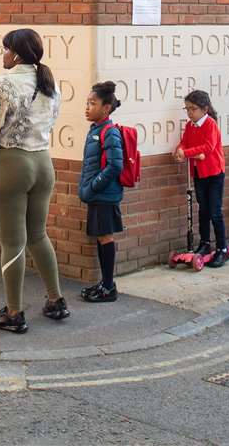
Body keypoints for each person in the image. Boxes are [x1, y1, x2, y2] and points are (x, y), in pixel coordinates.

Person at [0, 28, 68, 333]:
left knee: (13, 242)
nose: (2, 54)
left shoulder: (4, 83)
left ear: (14, 53)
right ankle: (56, 300)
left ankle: (14, 312)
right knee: (38, 235)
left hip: (10, 163)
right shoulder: (51, 85)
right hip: (43, 161)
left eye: (4, 49)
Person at [79, 81, 126, 304]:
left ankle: (109, 287)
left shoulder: (109, 132)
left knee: (105, 237)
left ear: (105, 108)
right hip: (98, 195)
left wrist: (93, 186)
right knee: (101, 237)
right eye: (87, 103)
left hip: (104, 196)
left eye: (92, 103)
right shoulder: (96, 129)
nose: (87, 107)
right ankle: (105, 283)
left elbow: (116, 165)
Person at [175, 88, 229, 267]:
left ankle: (222, 248)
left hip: (214, 173)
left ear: (204, 109)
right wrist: (180, 149)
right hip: (199, 173)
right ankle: (205, 243)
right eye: (187, 109)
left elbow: (208, 147)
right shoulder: (191, 125)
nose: (190, 112)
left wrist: (187, 153)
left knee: (215, 211)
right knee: (203, 210)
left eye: (193, 109)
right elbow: (185, 141)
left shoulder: (210, 124)